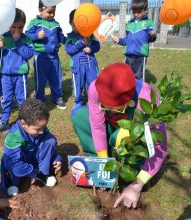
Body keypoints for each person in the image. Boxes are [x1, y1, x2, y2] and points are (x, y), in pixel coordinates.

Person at [71, 63, 167, 208]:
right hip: (112, 125)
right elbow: (97, 126)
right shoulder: (95, 87)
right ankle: (100, 158)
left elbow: (159, 148)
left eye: (114, 107)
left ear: (128, 101)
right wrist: (103, 164)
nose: (106, 109)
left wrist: (137, 184)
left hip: (132, 132)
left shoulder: (147, 99)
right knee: (78, 115)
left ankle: (128, 165)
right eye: (104, 105)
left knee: (119, 138)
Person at [0, 98, 62, 196]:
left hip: (32, 156)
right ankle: (13, 182)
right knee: (10, 162)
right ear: (23, 124)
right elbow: (16, 163)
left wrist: (57, 158)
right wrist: (33, 173)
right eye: (38, 129)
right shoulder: (13, 136)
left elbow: (50, 145)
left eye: (44, 127)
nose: (41, 131)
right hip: (19, 161)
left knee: (50, 140)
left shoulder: (40, 128)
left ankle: (43, 173)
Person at [0, 8, 34, 134]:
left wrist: (18, 41)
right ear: (8, 25)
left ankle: (23, 121)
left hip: (20, 75)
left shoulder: (26, 39)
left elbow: (28, 54)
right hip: (5, 75)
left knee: (22, 99)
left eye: (20, 27)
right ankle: (4, 121)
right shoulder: (3, 37)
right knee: (6, 99)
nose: (16, 31)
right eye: (13, 27)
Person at [25, 0, 67, 110]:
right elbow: (26, 36)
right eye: (49, 12)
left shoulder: (56, 24)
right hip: (41, 56)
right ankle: (39, 98)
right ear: (41, 10)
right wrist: (36, 36)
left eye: (53, 12)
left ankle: (57, 97)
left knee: (56, 77)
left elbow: (60, 36)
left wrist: (65, 40)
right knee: (40, 79)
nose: (52, 14)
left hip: (54, 56)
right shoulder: (35, 22)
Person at [111, 0, 157, 80]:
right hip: (128, 55)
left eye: (139, 12)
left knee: (138, 77)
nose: (136, 14)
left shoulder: (148, 23)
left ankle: (138, 92)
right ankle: (128, 92)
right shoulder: (129, 24)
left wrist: (153, 35)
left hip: (140, 55)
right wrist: (118, 40)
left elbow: (150, 39)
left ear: (145, 10)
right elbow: (127, 40)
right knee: (127, 75)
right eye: (134, 12)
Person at [65, 9, 100, 107]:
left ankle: (94, 101)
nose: (76, 27)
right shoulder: (70, 37)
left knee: (93, 83)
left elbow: (97, 46)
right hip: (77, 65)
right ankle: (78, 102)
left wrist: (91, 48)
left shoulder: (90, 34)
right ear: (70, 23)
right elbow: (69, 50)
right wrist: (81, 44)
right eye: (74, 25)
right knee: (78, 84)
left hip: (91, 64)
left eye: (78, 24)